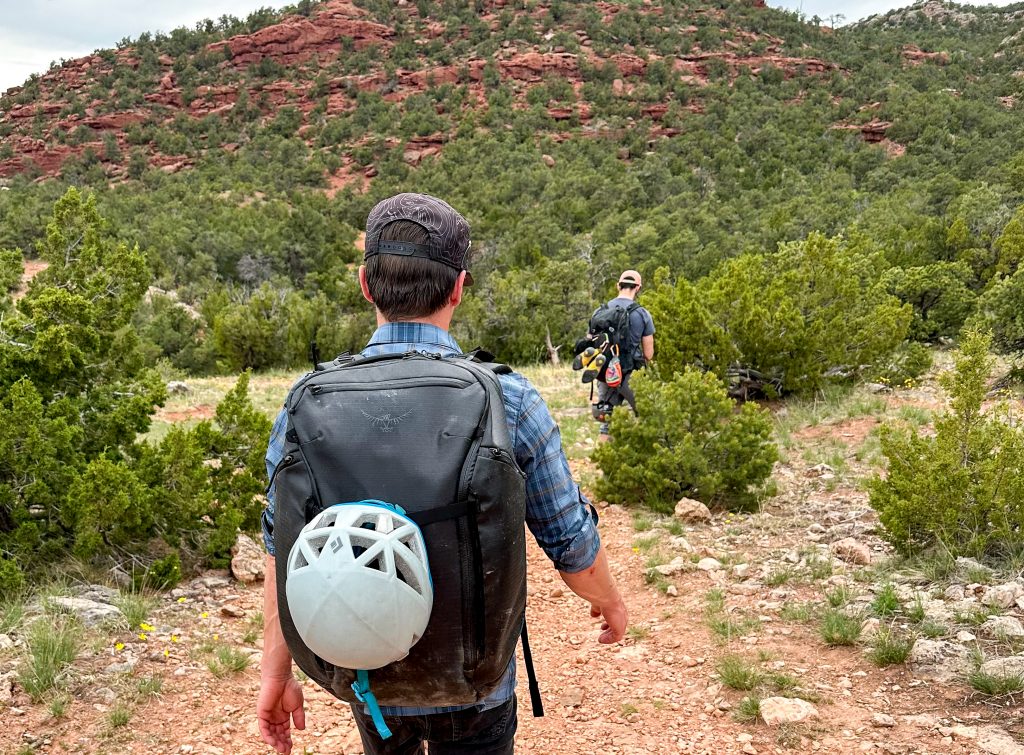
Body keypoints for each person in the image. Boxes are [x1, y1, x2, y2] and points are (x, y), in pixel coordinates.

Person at [257, 192, 628, 755]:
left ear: (365, 284)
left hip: (364, 670)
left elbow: (282, 548)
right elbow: (570, 541)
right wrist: (609, 601)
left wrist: (275, 673)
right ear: (458, 287)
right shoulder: (509, 399)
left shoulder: (303, 404)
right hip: (475, 677)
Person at [594, 270, 655, 438]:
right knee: (648, 417)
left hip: (606, 374)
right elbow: (649, 354)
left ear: (618, 286)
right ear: (638, 288)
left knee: (607, 424)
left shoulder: (600, 311)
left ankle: (605, 462)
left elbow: (591, 343)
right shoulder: (642, 314)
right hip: (631, 374)